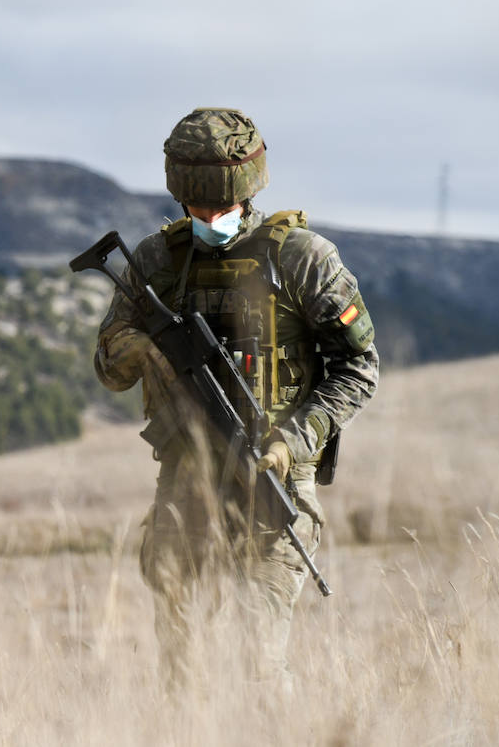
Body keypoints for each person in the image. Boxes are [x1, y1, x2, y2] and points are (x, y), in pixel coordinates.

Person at [93, 107, 378, 686]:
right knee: (182, 663)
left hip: (271, 484)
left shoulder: (301, 259)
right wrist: (139, 350)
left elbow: (359, 365)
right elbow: (109, 369)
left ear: (247, 191)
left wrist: (294, 440)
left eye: (221, 208)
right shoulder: (154, 261)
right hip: (186, 481)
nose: (209, 219)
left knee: (258, 659)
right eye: (197, 209)